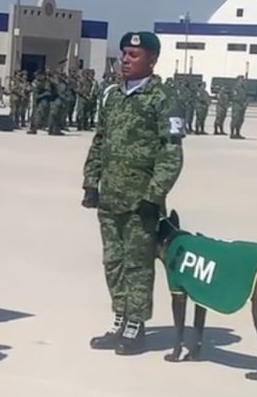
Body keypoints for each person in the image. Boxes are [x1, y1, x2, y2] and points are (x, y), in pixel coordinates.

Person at [82, 31, 184, 355]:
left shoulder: (163, 99)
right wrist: (90, 180)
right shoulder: (113, 96)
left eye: (133, 55)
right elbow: (101, 140)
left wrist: (154, 195)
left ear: (152, 60)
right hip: (110, 196)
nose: (125, 59)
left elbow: (172, 153)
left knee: (138, 262)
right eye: (124, 54)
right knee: (113, 260)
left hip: (141, 201)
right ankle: (120, 318)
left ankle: (136, 324)